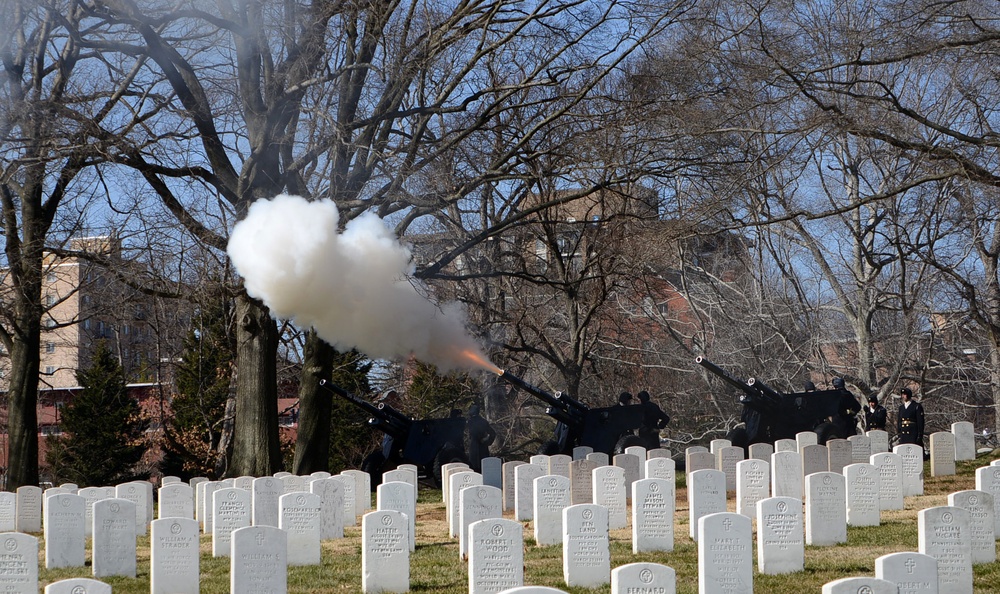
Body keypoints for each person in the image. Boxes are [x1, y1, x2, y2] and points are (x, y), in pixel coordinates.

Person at [465, 404, 496, 472]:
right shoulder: (483, 421)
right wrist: (487, 441)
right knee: (484, 470)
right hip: (483, 448)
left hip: (474, 448)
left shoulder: (469, 422)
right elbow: (493, 434)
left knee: (474, 469)